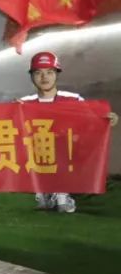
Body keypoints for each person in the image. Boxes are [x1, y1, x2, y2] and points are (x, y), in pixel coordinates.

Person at [17, 51, 118, 213]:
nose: (44, 77)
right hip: (36, 158)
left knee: (61, 141)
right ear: (32, 76)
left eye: (49, 72)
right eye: (39, 73)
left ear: (56, 75)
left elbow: (92, 121)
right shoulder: (22, 103)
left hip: (68, 156)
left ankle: (60, 191)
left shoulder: (73, 100)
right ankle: (46, 191)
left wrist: (107, 120)